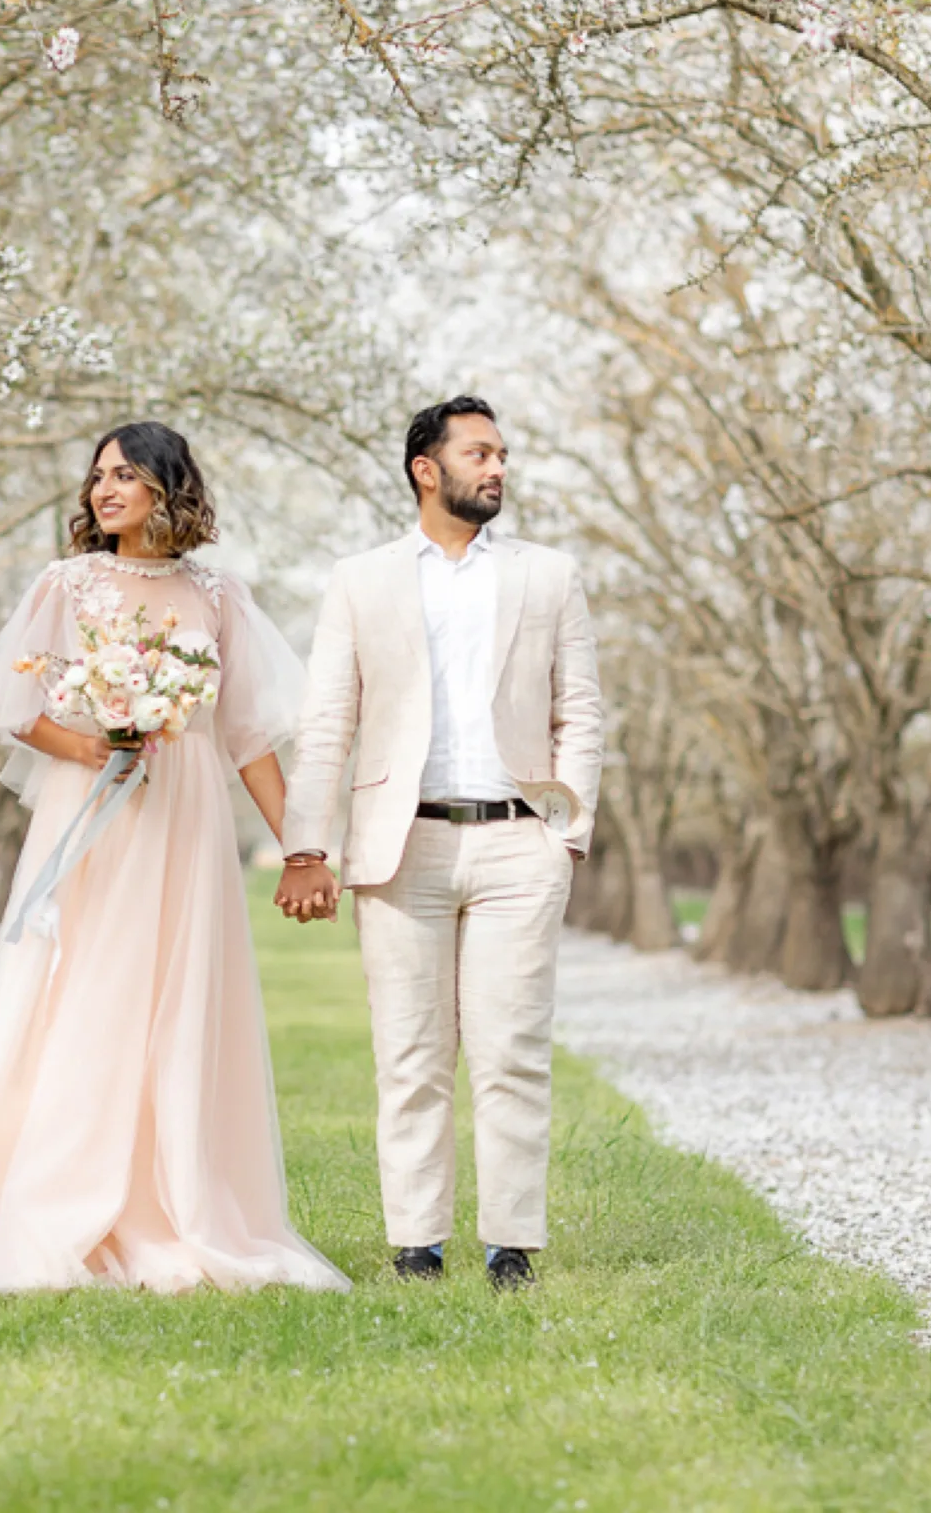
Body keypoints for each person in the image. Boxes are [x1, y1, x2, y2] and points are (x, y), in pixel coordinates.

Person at [0, 421, 348, 1294]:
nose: (105, 490)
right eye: (97, 477)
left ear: (170, 486)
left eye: (126, 474)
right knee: (87, 987)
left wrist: (301, 849)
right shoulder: (69, 583)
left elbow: (245, 736)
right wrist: (87, 744)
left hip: (187, 805)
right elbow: (13, 705)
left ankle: (175, 1204)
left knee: (179, 995)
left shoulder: (218, 595)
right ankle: (61, 1201)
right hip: (91, 808)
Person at [275, 395, 603, 1290]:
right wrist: (309, 846)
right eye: (480, 454)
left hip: (516, 846)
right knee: (412, 1058)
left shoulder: (549, 576)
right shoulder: (361, 579)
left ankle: (511, 1250)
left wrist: (565, 835)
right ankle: (416, 1247)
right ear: (428, 469)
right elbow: (327, 720)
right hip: (400, 847)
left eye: (503, 455)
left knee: (510, 1051)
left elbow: (580, 710)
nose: (498, 469)